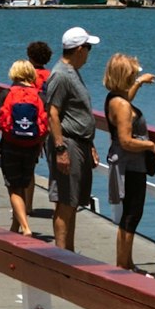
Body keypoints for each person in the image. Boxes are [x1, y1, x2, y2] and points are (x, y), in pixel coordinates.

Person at [44, 28, 103, 253]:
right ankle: (61, 254)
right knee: (65, 201)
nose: (89, 53)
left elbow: (78, 113)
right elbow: (53, 113)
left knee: (73, 201)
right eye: (88, 48)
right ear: (79, 49)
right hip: (67, 142)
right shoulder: (61, 75)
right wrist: (61, 149)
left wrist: (90, 144)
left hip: (79, 143)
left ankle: (69, 250)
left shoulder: (72, 72)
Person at [101, 55, 155, 270]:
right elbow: (126, 141)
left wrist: (140, 83)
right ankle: (124, 264)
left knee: (129, 213)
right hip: (131, 164)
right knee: (132, 214)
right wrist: (149, 145)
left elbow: (126, 99)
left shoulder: (114, 98)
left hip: (125, 162)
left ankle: (126, 262)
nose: (135, 75)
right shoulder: (123, 106)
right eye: (133, 74)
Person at [0, 43, 54, 237]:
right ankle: (15, 227)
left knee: (14, 188)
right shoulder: (40, 96)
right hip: (31, 146)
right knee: (24, 183)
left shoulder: (7, 94)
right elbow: (49, 126)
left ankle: (25, 228)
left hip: (10, 144)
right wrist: (39, 143)